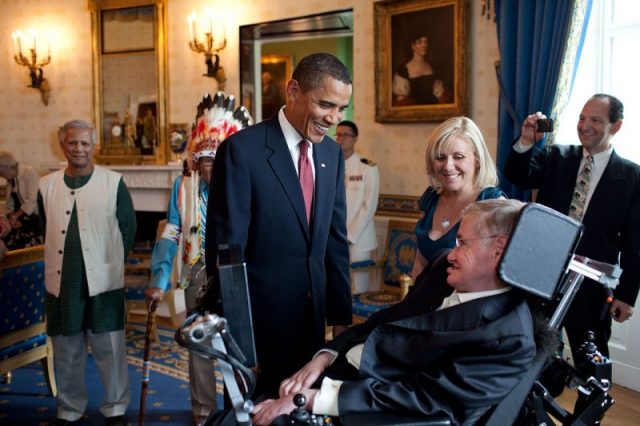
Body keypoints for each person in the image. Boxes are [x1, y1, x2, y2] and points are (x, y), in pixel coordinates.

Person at [251, 199, 542, 425]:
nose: (451, 253)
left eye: (462, 243)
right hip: (339, 370)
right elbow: (383, 321)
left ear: (499, 249)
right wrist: (325, 356)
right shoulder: (443, 269)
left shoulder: (508, 338)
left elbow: (425, 399)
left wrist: (311, 399)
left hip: (368, 406)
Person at [205, 53, 353, 397]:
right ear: (293, 91)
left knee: (301, 411)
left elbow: (335, 241)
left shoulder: (331, 155)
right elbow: (227, 253)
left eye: (341, 108)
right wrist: (241, 340)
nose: (333, 118)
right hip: (260, 331)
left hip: (312, 324)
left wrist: (341, 319)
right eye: (326, 104)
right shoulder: (242, 150)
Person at [504, 93, 640, 360]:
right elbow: (518, 177)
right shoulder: (556, 157)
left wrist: (626, 295)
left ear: (616, 126)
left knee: (591, 362)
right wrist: (526, 141)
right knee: (535, 356)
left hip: (591, 288)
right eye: (581, 118)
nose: (584, 125)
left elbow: (635, 242)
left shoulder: (633, 177)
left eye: (595, 120)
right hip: (541, 276)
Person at [146, 93, 249, 426]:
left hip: (235, 275)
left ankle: (239, 406)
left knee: (238, 345)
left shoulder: (242, 185)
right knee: (199, 344)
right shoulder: (183, 188)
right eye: (207, 160)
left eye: (219, 160)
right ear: (196, 162)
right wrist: (159, 280)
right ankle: (203, 411)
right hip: (196, 275)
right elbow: (171, 234)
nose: (212, 167)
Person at [38, 119, 136, 426]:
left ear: (94, 146)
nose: (78, 149)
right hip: (63, 282)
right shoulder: (46, 186)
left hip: (104, 282)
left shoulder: (113, 182)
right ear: (62, 145)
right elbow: (45, 229)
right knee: (66, 349)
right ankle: (69, 409)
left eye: (85, 143)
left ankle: (116, 407)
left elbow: (129, 229)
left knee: (110, 348)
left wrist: (109, 262)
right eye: (72, 143)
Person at [411, 116, 504, 283]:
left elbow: (500, 272)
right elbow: (420, 262)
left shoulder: (492, 202)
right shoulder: (430, 198)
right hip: (425, 304)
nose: (448, 166)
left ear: (477, 160)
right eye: (440, 157)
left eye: (458, 157)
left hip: (466, 306)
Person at [335, 120, 380, 293]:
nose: (341, 138)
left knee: (358, 289)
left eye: (345, 135)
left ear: (355, 139)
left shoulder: (367, 168)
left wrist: (349, 235)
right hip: (335, 238)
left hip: (359, 240)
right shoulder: (331, 166)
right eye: (338, 134)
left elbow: (369, 207)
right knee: (338, 289)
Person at [392, 33, 452, 106]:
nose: (424, 45)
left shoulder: (433, 66)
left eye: (425, 42)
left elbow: (440, 95)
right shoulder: (403, 70)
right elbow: (401, 100)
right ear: (413, 46)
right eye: (419, 42)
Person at [0, 151, 43, 249]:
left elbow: (32, 200)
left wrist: (16, 216)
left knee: (19, 242)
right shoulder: (11, 179)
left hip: (36, 218)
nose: (2, 176)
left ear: (7, 169)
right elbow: (9, 203)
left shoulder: (29, 172)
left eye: (1, 173)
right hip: (22, 219)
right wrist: (12, 217)